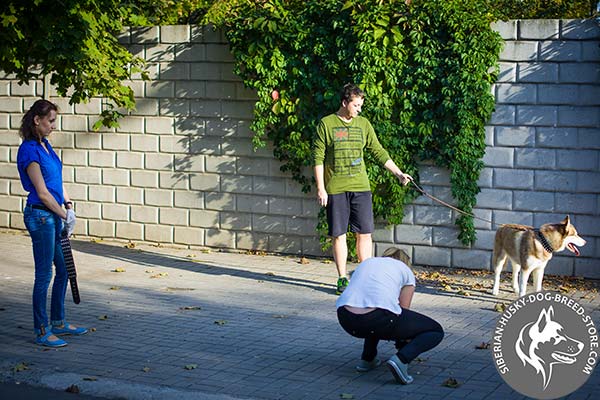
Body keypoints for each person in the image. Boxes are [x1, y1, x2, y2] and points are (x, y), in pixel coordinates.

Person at [313, 83, 412, 294]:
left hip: (361, 186)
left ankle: (364, 276)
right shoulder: (326, 124)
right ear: (344, 103)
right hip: (336, 188)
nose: (359, 109)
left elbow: (378, 151)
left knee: (365, 233)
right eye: (356, 105)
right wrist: (321, 188)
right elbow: (318, 158)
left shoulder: (363, 124)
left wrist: (398, 173)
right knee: (338, 235)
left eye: (360, 105)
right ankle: (342, 278)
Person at [16, 99, 87, 347]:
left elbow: (56, 181)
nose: (53, 126)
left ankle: (58, 322)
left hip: (54, 214)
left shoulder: (45, 146)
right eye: (51, 121)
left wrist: (68, 204)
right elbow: (43, 192)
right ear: (37, 120)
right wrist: (62, 215)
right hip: (41, 216)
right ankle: (42, 329)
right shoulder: (29, 151)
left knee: (64, 270)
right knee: (44, 274)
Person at [336, 247, 444, 384]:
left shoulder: (367, 263)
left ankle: (367, 359)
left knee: (375, 311)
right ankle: (401, 360)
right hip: (376, 319)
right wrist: (403, 343)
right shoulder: (406, 271)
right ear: (406, 262)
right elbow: (403, 311)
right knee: (435, 330)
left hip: (345, 317)